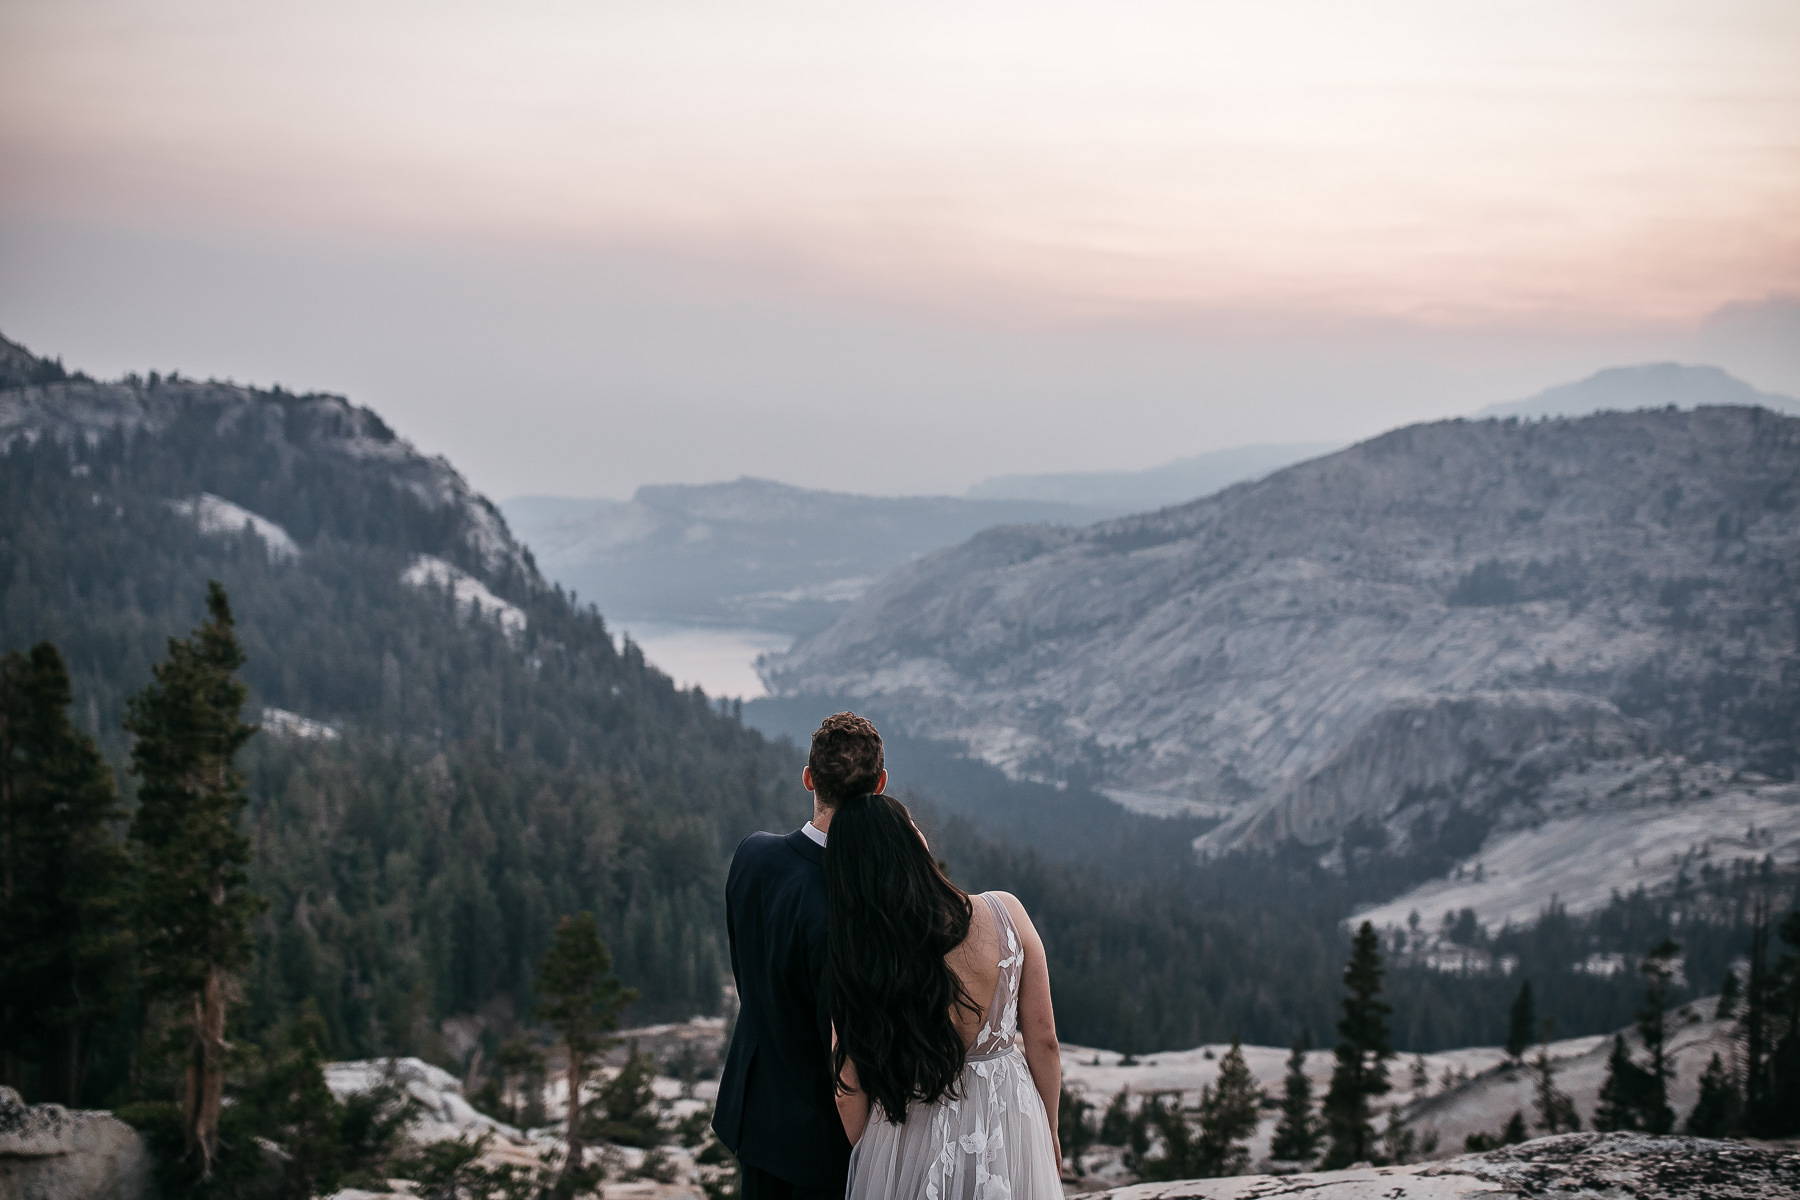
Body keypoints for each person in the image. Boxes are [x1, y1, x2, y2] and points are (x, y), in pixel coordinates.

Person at [825, 790, 1064, 1198]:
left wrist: (881, 1153)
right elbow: (1044, 1041)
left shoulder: (860, 958)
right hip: (1007, 1123)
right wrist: (1050, 1129)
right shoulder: (1008, 913)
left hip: (908, 1123)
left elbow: (848, 1083)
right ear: (916, 842)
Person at [712, 712, 887, 1200]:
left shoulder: (752, 855)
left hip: (752, 1109)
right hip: (820, 1137)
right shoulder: (855, 904)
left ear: (809, 777)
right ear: (880, 787)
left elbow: (749, 973)